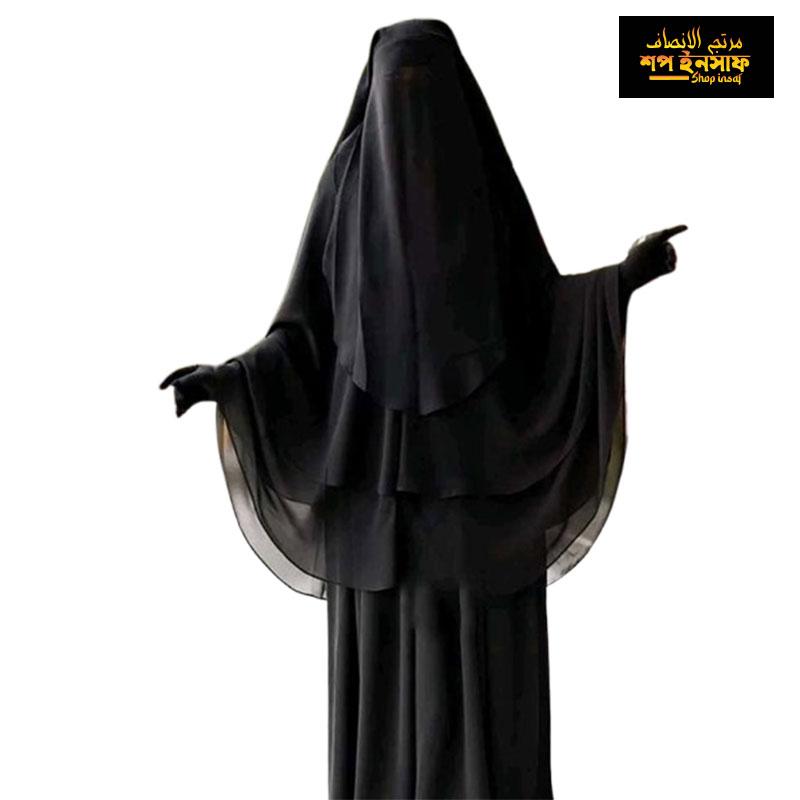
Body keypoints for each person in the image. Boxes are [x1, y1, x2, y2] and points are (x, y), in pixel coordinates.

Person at [160, 18, 686, 799]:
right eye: (397, 88)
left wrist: (622, 282)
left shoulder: (481, 186)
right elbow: (304, 333)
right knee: (382, 717)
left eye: (427, 89)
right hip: (373, 503)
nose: (411, 110)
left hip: (482, 504)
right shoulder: (348, 187)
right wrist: (229, 381)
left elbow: (542, 311)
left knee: (490, 715)